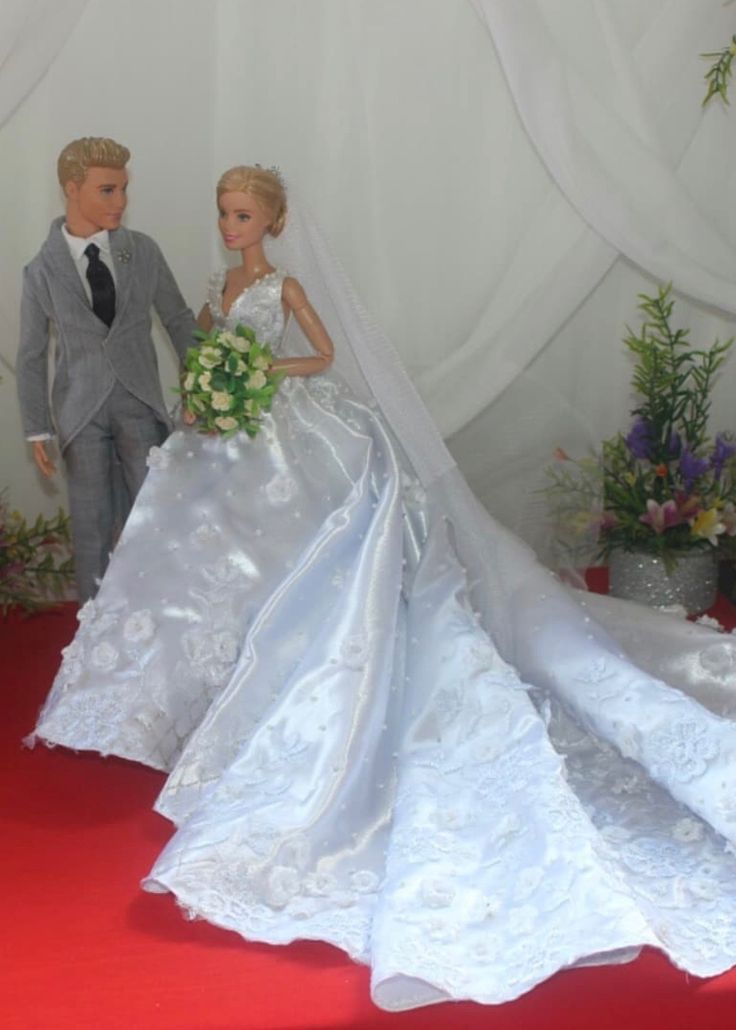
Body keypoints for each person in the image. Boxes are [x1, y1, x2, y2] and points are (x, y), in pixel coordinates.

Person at [32, 166, 736, 1011]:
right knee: (206, 557)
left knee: (319, 553)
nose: (229, 225)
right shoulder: (219, 282)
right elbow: (207, 341)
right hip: (234, 435)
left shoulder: (285, 281)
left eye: (243, 214)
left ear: (273, 220)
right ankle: (201, 697)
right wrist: (215, 385)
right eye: (224, 213)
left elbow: (324, 355)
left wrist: (261, 376)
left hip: (290, 425)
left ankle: (303, 677)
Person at [16, 137, 197, 602]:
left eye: (123, 190)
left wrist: (198, 384)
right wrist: (37, 429)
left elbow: (177, 319)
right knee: (91, 518)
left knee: (154, 508)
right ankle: (95, 622)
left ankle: (161, 609)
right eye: (107, 190)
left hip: (139, 399)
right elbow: (32, 353)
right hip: (80, 408)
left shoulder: (143, 251)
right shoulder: (42, 269)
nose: (121, 202)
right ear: (72, 190)